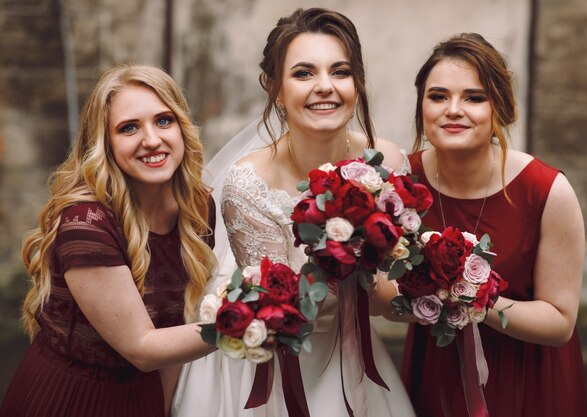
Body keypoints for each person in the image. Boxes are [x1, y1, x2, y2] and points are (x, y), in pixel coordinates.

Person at [172, 8, 416, 417]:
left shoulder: (386, 161)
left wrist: (431, 294)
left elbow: (389, 298)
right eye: (303, 74)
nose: (325, 87)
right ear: (276, 89)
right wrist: (338, 258)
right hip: (276, 354)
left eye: (340, 72)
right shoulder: (248, 182)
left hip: (350, 342)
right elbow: (284, 315)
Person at [0, 64, 219, 417]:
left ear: (182, 128)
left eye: (164, 120)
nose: (151, 139)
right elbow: (143, 348)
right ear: (105, 143)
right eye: (129, 127)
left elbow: (176, 327)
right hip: (73, 400)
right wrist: (244, 324)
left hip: (144, 395)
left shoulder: (197, 208)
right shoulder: (86, 225)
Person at [397, 33, 587, 417]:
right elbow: (385, 297)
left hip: (527, 376)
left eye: (474, 97)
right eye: (438, 97)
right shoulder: (401, 182)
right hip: (435, 368)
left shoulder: (546, 191)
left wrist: (470, 296)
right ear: (421, 107)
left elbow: (560, 322)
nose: (453, 109)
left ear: (499, 107)